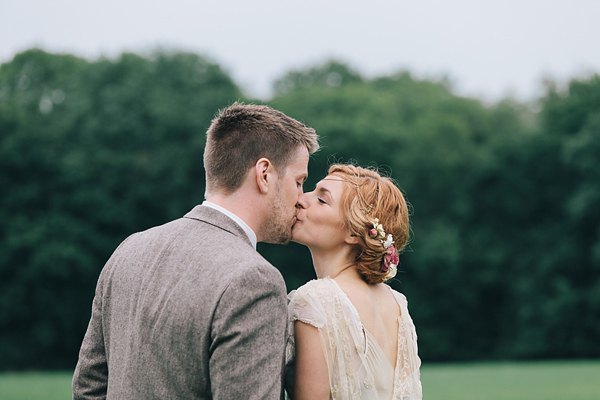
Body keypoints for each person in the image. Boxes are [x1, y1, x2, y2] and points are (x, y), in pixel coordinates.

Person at [72, 102, 319, 399]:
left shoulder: (129, 249)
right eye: (299, 182)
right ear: (264, 174)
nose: (301, 198)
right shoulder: (254, 280)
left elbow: (88, 388)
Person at [286, 164, 422, 400]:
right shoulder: (398, 305)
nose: (301, 199)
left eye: (322, 200)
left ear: (353, 233)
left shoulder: (315, 301)